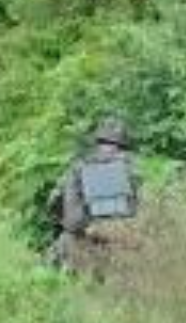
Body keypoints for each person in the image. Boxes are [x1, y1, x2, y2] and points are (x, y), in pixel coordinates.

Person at [46, 117, 139, 275]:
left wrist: (64, 220)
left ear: (98, 140)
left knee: (60, 250)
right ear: (123, 143)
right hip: (121, 244)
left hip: (79, 243)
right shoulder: (133, 167)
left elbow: (54, 200)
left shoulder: (79, 165)